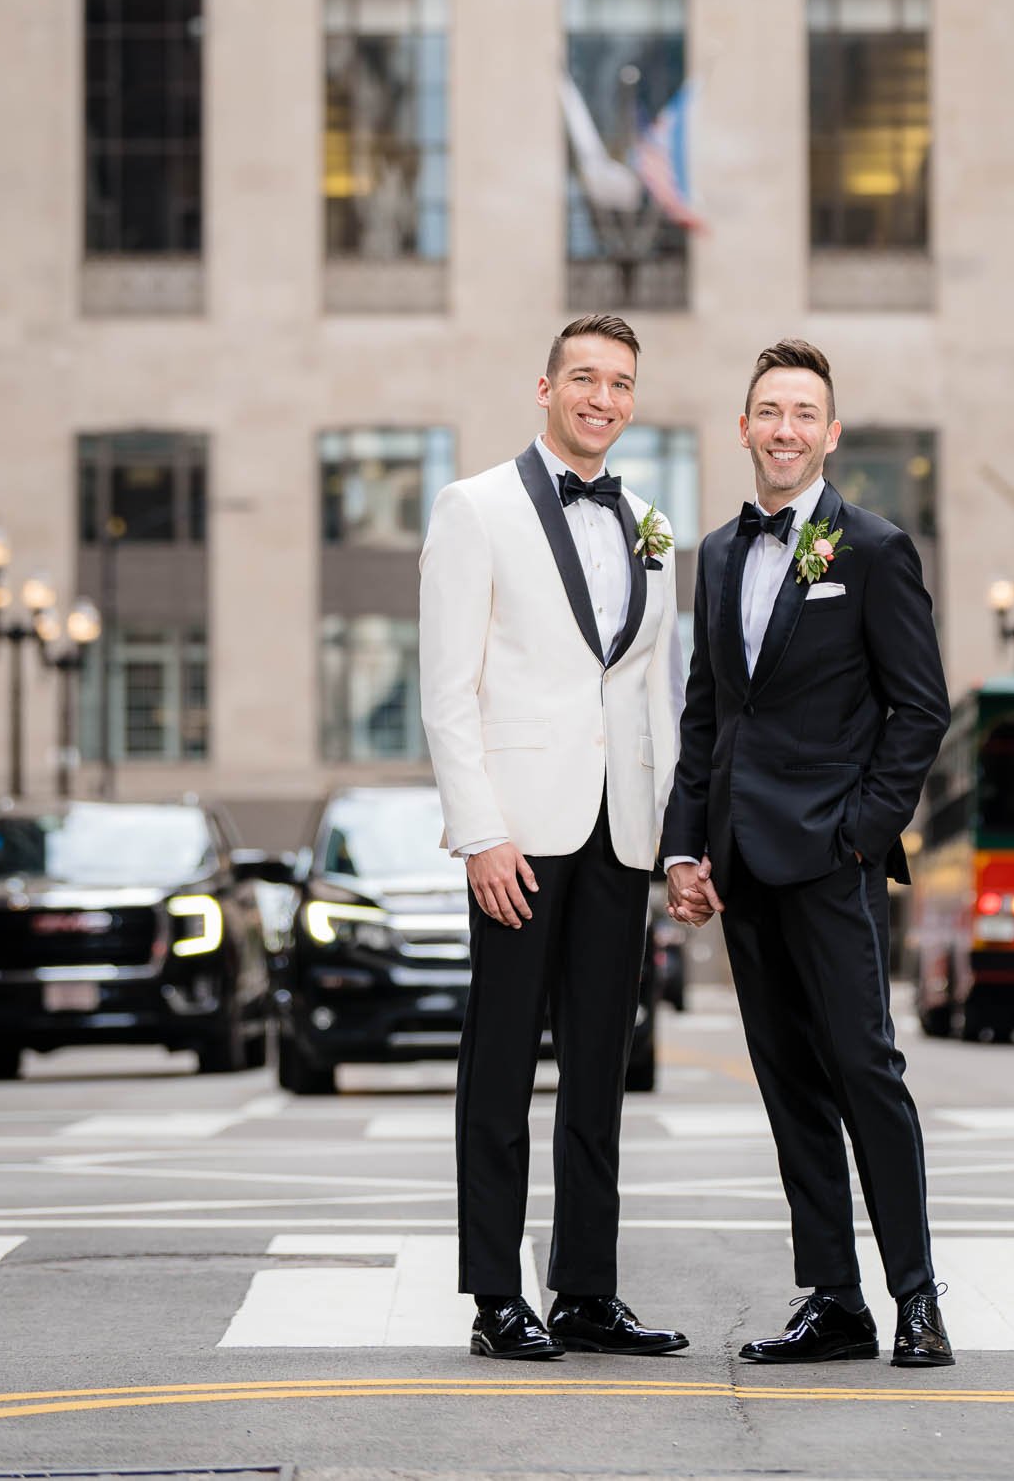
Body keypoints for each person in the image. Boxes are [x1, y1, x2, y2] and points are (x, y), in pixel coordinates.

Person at [663, 337, 954, 1370]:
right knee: (788, 1085)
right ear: (744, 427)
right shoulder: (717, 552)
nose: (783, 429)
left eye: (803, 413)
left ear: (829, 434)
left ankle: (915, 1298)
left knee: (865, 1072)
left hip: (831, 865)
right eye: (767, 411)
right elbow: (709, 714)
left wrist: (859, 835)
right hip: (742, 868)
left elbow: (918, 710)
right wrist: (683, 850)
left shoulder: (868, 547)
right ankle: (835, 1300)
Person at [420, 312, 687, 1363]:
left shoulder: (651, 525)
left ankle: (584, 1288)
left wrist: (674, 837)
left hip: (620, 832)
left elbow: (651, 695)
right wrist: (480, 833)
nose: (602, 398)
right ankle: (495, 1292)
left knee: (597, 1068)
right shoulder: (473, 507)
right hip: (519, 839)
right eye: (583, 378)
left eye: (619, 383)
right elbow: (448, 693)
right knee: (499, 1070)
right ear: (545, 389)